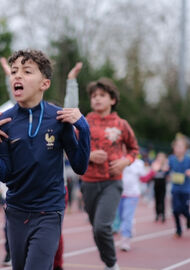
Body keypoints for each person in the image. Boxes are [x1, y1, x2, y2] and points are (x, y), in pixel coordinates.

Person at [0, 49, 90, 270]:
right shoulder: (4, 121)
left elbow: (80, 166)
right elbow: (5, 175)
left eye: (27, 72)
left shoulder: (59, 118)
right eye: (14, 71)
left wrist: (83, 128)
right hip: (16, 211)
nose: (17, 76)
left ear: (44, 84)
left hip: (49, 212)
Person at [70, 76, 138, 270]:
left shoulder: (121, 125)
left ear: (112, 100)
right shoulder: (82, 122)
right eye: (94, 96)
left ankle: (111, 264)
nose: (97, 99)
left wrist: (125, 161)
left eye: (102, 95)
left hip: (112, 182)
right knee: (96, 228)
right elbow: (72, 149)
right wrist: (89, 155)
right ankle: (109, 261)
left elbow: (134, 149)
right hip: (89, 183)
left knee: (102, 227)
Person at [168, 134, 190, 237]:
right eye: (177, 146)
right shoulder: (171, 159)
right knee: (175, 210)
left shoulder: (188, 159)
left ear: (185, 149)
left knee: (184, 209)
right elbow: (167, 170)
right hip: (175, 189)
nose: (178, 149)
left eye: (181, 146)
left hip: (186, 189)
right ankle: (178, 230)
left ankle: (189, 219)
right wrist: (164, 171)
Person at [150, 152, 169, 222]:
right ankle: (157, 214)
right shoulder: (154, 163)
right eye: (159, 157)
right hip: (156, 183)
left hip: (162, 183)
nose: (160, 159)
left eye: (161, 157)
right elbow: (154, 170)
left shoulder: (166, 164)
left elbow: (166, 171)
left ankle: (163, 214)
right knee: (157, 199)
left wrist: (162, 166)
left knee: (162, 199)